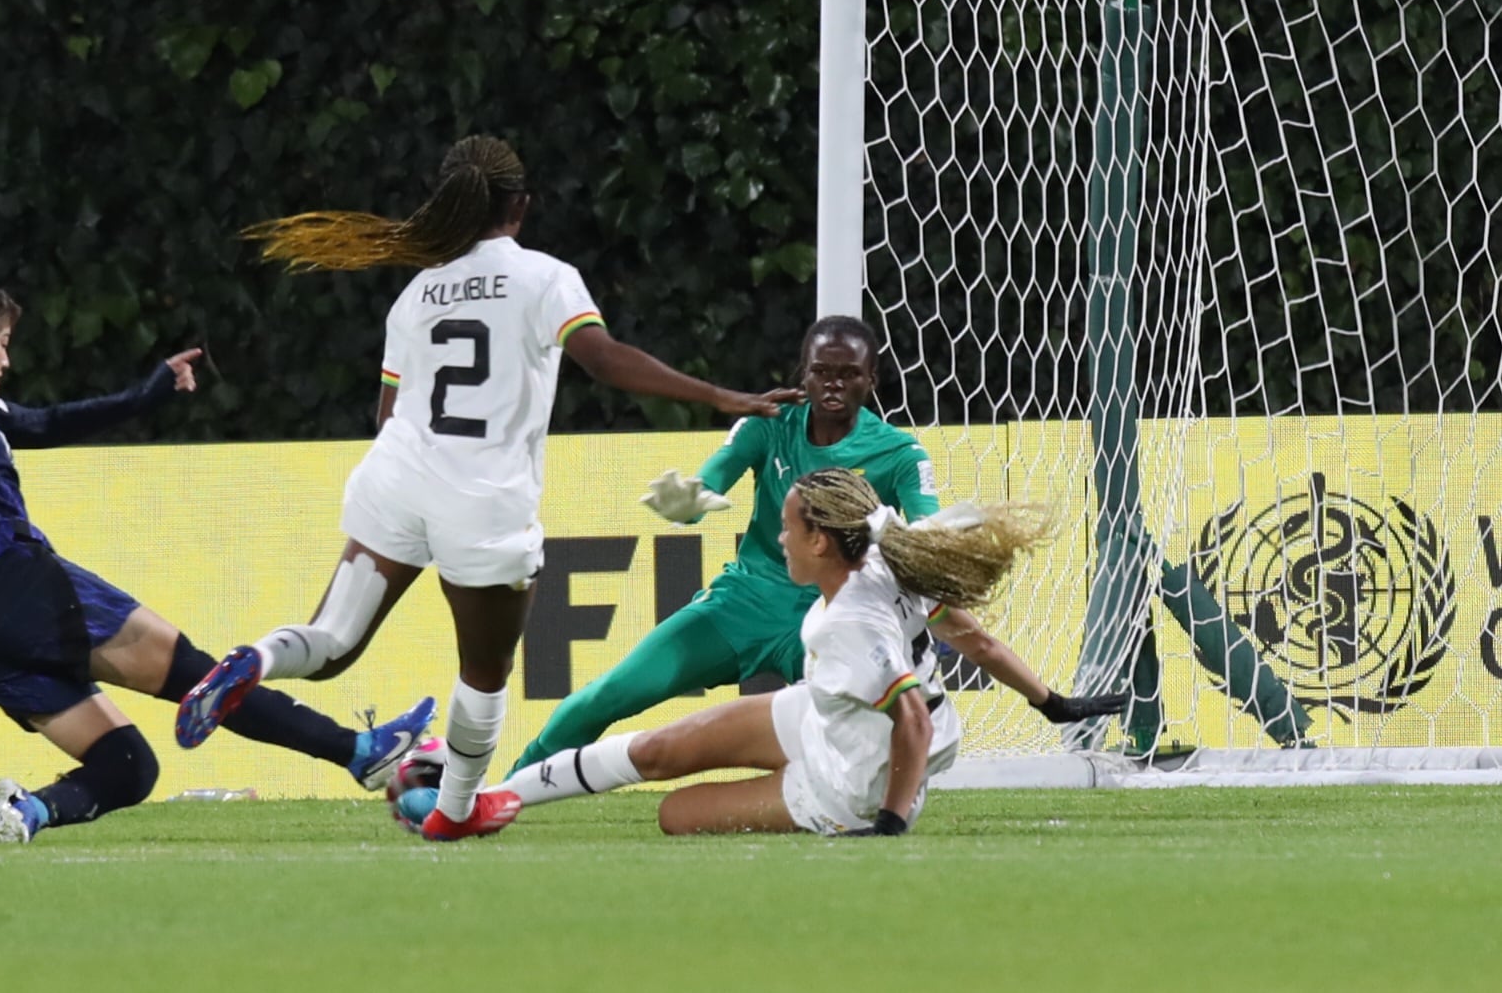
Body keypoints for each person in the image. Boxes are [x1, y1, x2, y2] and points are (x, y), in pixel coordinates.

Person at [174, 135, 801, 841]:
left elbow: (388, 415)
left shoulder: (415, 295)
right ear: (521, 206)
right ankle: (456, 810)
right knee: (485, 669)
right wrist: (720, 395)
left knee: (332, 642)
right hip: (481, 500)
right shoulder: (544, 277)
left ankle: (255, 658)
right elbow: (603, 359)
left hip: (395, 477)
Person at [0, 277, 435, 843]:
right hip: (14, 583)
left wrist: (147, 394)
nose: (6, 360)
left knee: (127, 767)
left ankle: (29, 809)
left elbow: (48, 424)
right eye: (1, 344)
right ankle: (360, 753)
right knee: (199, 675)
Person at [512, 316, 1113, 773]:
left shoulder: (899, 453)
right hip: (741, 605)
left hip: (833, 618)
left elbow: (927, 526)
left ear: (870, 380)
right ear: (803, 374)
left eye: (849, 374)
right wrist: (691, 502)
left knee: (855, 738)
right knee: (612, 694)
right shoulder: (767, 423)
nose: (833, 385)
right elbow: (709, 481)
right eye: (822, 372)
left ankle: (861, 817)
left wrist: (941, 537)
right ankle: (507, 787)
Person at [451, 468, 1113, 836]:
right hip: (833, 714)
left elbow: (911, 721)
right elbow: (978, 639)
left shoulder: (848, 622)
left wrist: (890, 819)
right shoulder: (885, 554)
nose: (779, 536)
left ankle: (856, 814)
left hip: (853, 774)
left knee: (672, 816)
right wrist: (1049, 701)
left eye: (788, 526)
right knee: (655, 751)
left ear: (822, 541)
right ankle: (491, 802)